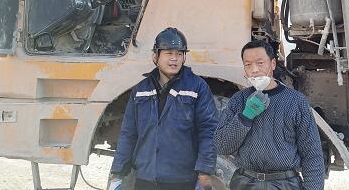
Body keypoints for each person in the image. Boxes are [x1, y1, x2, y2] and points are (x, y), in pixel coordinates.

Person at [109, 27, 218, 190]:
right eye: (169, 53)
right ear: (155, 56)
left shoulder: (197, 87)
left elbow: (209, 131)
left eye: (179, 54)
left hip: (182, 181)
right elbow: (128, 133)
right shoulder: (140, 90)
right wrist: (117, 174)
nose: (174, 58)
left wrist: (204, 173)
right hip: (145, 179)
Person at [215, 40, 325, 190]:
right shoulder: (238, 100)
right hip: (245, 183)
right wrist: (245, 117)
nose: (254, 70)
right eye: (248, 65)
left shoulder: (295, 101)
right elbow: (221, 146)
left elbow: (312, 154)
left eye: (260, 63)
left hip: (285, 184)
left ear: (273, 64)